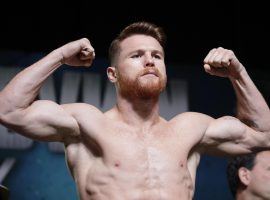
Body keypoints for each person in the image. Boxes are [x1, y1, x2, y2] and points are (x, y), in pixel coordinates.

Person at [0, 21, 269, 200]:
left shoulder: (190, 129)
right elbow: (9, 110)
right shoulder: (87, 124)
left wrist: (239, 73)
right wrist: (60, 55)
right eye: (136, 55)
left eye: (157, 55)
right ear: (112, 74)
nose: (149, 60)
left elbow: (264, 135)